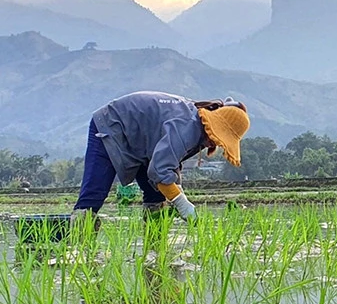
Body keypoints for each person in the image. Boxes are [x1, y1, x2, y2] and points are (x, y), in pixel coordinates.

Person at [72, 91, 250, 230]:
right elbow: (159, 170)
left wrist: (177, 192)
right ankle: (73, 248)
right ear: (214, 125)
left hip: (143, 142)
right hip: (112, 124)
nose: (215, 143)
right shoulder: (188, 126)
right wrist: (181, 203)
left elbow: (170, 163)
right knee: (93, 198)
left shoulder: (198, 126)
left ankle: (155, 251)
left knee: (156, 196)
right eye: (219, 138)